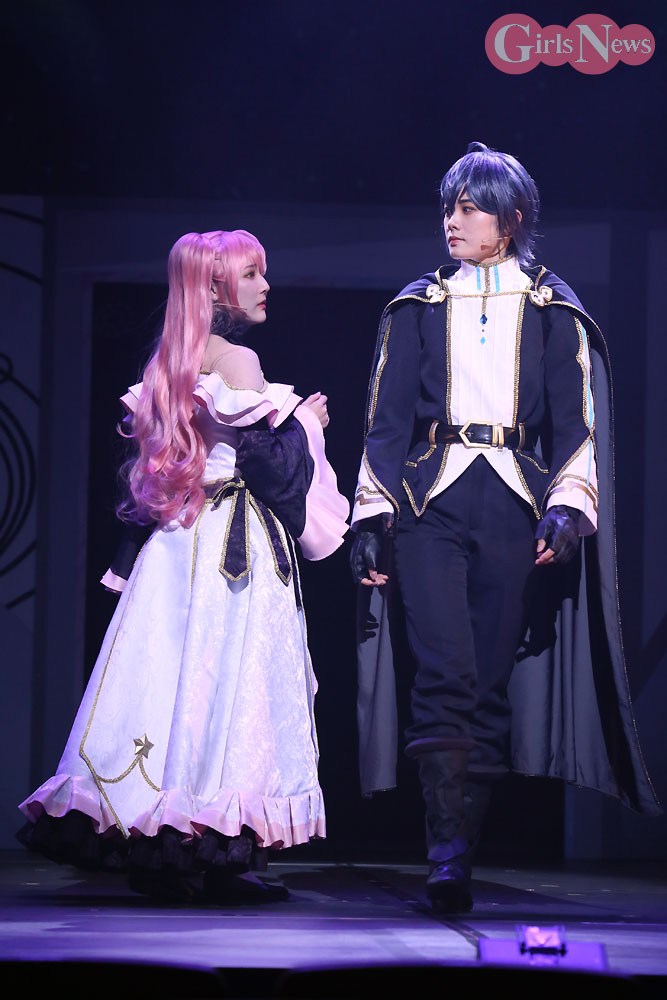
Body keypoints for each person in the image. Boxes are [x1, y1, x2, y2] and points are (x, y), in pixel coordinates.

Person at [351, 143, 659, 914]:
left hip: (512, 505)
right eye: (448, 207)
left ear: (510, 219)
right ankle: (444, 851)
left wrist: (567, 507)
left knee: (487, 680)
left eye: (468, 208)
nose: (451, 221)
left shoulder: (551, 306)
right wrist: (371, 516)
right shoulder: (419, 304)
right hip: (429, 504)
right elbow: (385, 423)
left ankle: (461, 848)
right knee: (444, 672)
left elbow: (576, 425)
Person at [19, 229, 349, 902]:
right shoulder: (239, 361)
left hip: (174, 543)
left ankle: (162, 851)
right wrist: (307, 424)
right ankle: (213, 854)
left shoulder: (170, 361)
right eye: (251, 274)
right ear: (218, 288)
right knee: (228, 691)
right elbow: (272, 471)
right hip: (230, 546)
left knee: (168, 686)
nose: (265, 285)